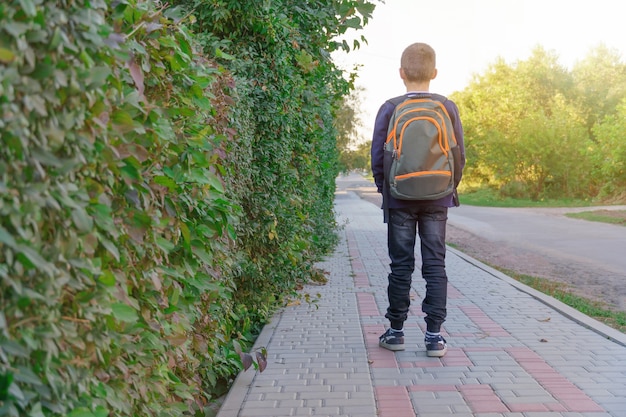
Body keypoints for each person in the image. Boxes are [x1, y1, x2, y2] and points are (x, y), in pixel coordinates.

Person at [370, 42, 466, 357]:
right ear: (434, 73)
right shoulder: (447, 107)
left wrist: (387, 192)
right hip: (438, 197)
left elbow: (378, 158)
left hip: (400, 199)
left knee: (401, 266)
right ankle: (434, 337)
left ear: (401, 73)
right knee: (435, 265)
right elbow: (458, 154)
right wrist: (449, 187)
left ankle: (396, 332)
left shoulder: (390, 107)